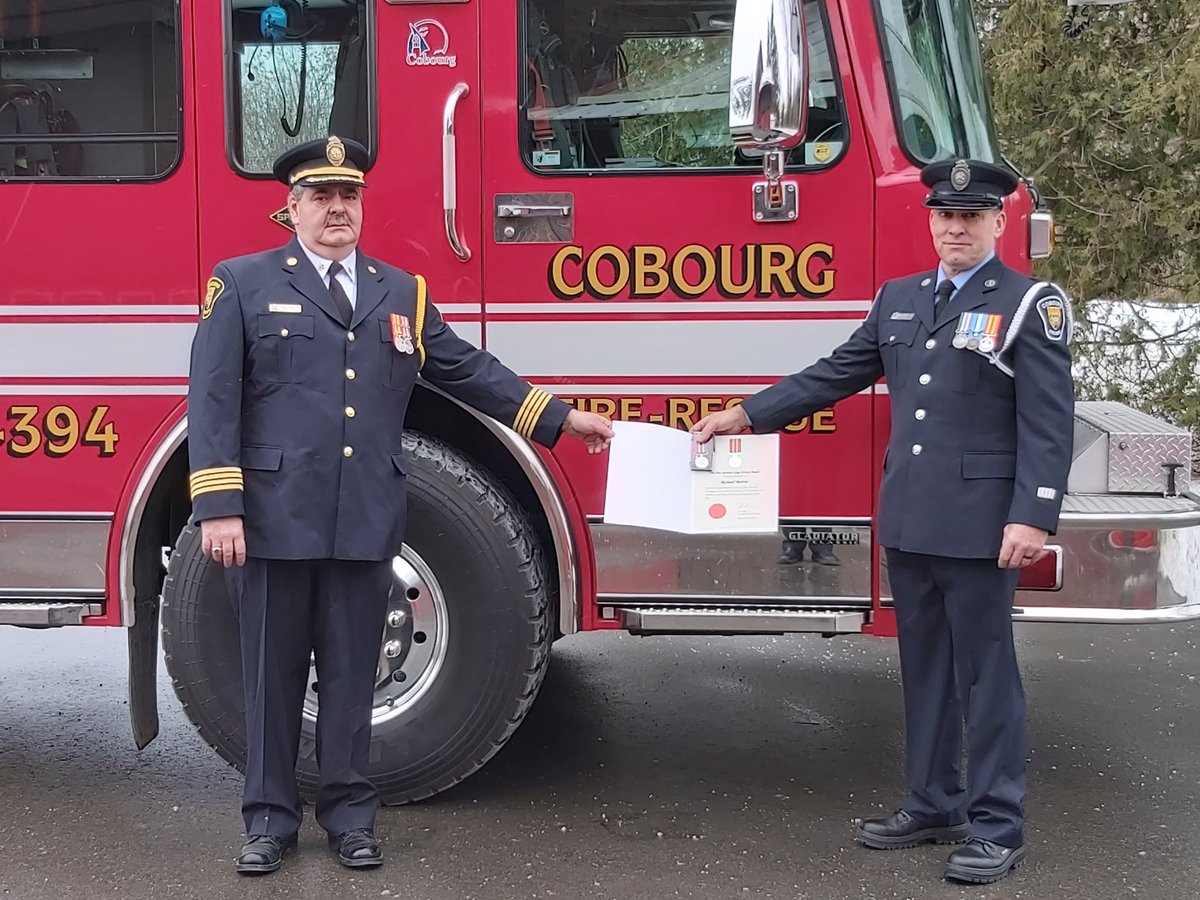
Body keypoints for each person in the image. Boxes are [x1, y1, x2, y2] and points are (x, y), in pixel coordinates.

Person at [187, 136, 614, 876]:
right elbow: (214, 400)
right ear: (290, 210)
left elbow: (468, 371)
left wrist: (558, 418)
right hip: (273, 520)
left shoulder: (401, 292)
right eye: (320, 198)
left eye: (347, 196)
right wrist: (219, 508)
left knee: (354, 678)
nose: (336, 210)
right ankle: (268, 821)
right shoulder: (244, 285)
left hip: (363, 517)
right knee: (271, 678)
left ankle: (351, 817)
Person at [694, 158, 1074, 886]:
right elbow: (833, 374)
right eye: (944, 216)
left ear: (999, 222)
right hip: (910, 517)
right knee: (925, 670)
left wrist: (1033, 517)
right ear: (930, 222)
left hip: (981, 523)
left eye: (971, 216)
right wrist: (745, 413)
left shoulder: (1029, 305)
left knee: (986, 677)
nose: (956, 228)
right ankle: (934, 802)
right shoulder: (900, 300)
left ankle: (997, 825)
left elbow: (1047, 426)